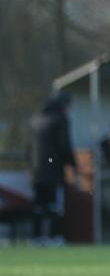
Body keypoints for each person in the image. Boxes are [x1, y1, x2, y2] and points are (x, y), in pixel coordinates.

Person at [28, 90, 76, 244]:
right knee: (55, 206)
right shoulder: (60, 120)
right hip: (54, 172)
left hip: (36, 173)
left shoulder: (36, 120)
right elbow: (64, 146)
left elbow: (28, 149)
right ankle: (54, 237)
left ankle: (36, 237)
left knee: (38, 206)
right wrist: (73, 163)